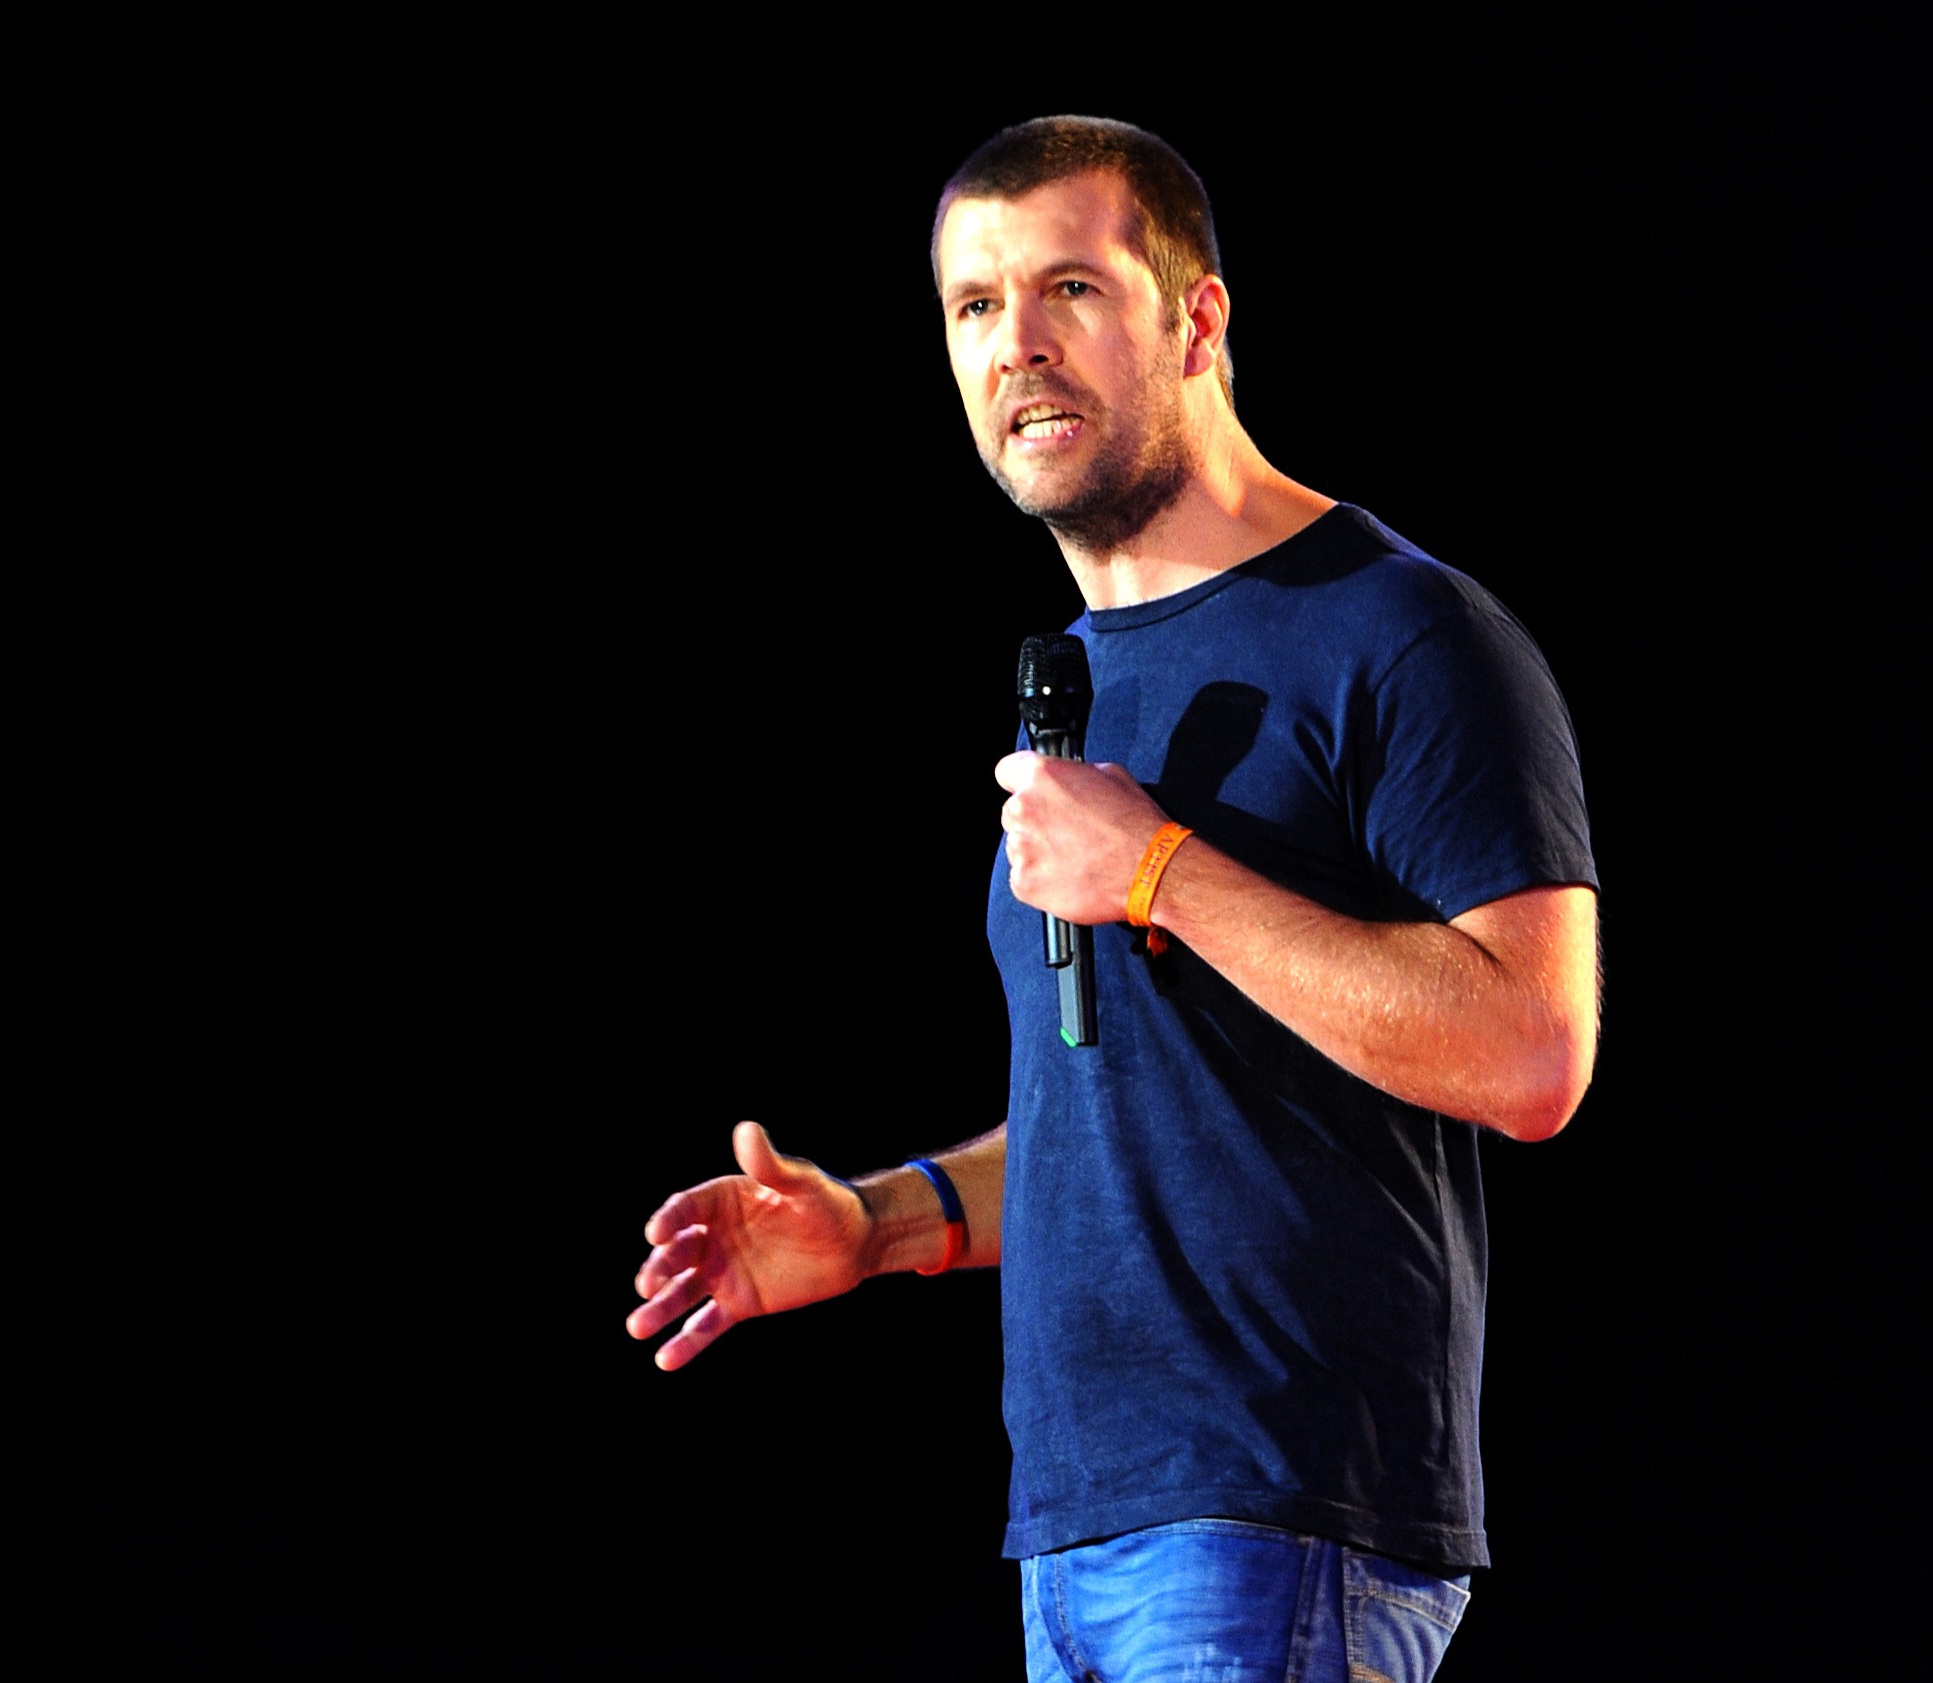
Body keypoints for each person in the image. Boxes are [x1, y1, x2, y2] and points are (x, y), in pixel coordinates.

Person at [628, 116, 1599, 1682]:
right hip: (1081, 1534)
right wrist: (872, 1228)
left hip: (1280, 1518)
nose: (1018, 345)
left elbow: (1532, 1052)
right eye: (974, 305)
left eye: (1070, 287)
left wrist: (1158, 870)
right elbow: (1135, 1119)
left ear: (1197, 319)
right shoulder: (1076, 691)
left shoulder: (1402, 635)